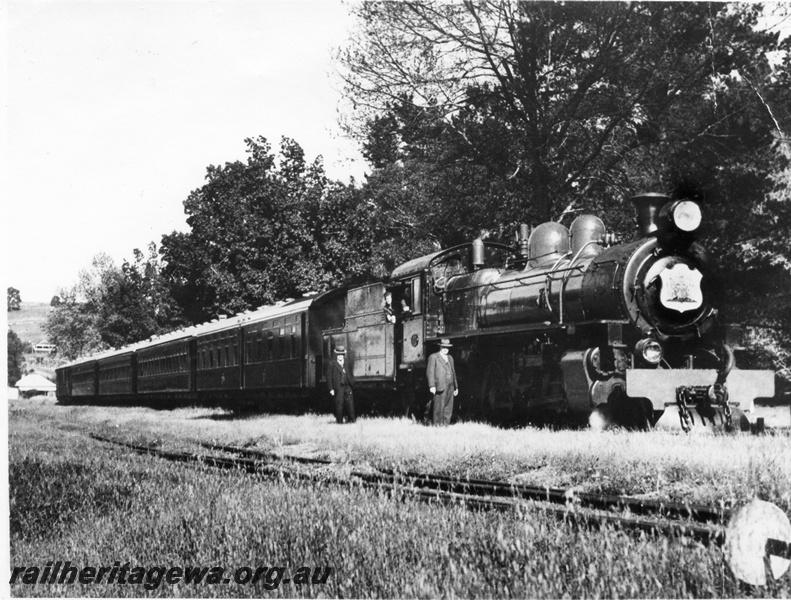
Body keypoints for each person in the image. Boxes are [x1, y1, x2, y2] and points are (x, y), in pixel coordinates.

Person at [426, 338, 458, 425]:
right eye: (443, 347)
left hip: (450, 385)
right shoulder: (433, 357)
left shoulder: (450, 358)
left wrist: (456, 387)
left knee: (448, 407)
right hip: (440, 385)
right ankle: (437, 426)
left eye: (447, 347)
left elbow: (453, 372)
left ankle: (445, 425)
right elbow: (430, 372)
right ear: (440, 347)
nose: (445, 349)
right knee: (439, 407)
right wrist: (431, 386)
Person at [327, 345, 356, 424]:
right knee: (339, 404)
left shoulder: (347, 362)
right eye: (339, 355)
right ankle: (339, 422)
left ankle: (352, 421)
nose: (340, 356)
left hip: (348, 386)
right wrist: (331, 389)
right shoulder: (332, 364)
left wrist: (352, 383)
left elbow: (350, 373)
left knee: (350, 404)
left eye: (342, 354)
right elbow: (329, 378)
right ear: (336, 355)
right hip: (338, 387)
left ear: (344, 355)